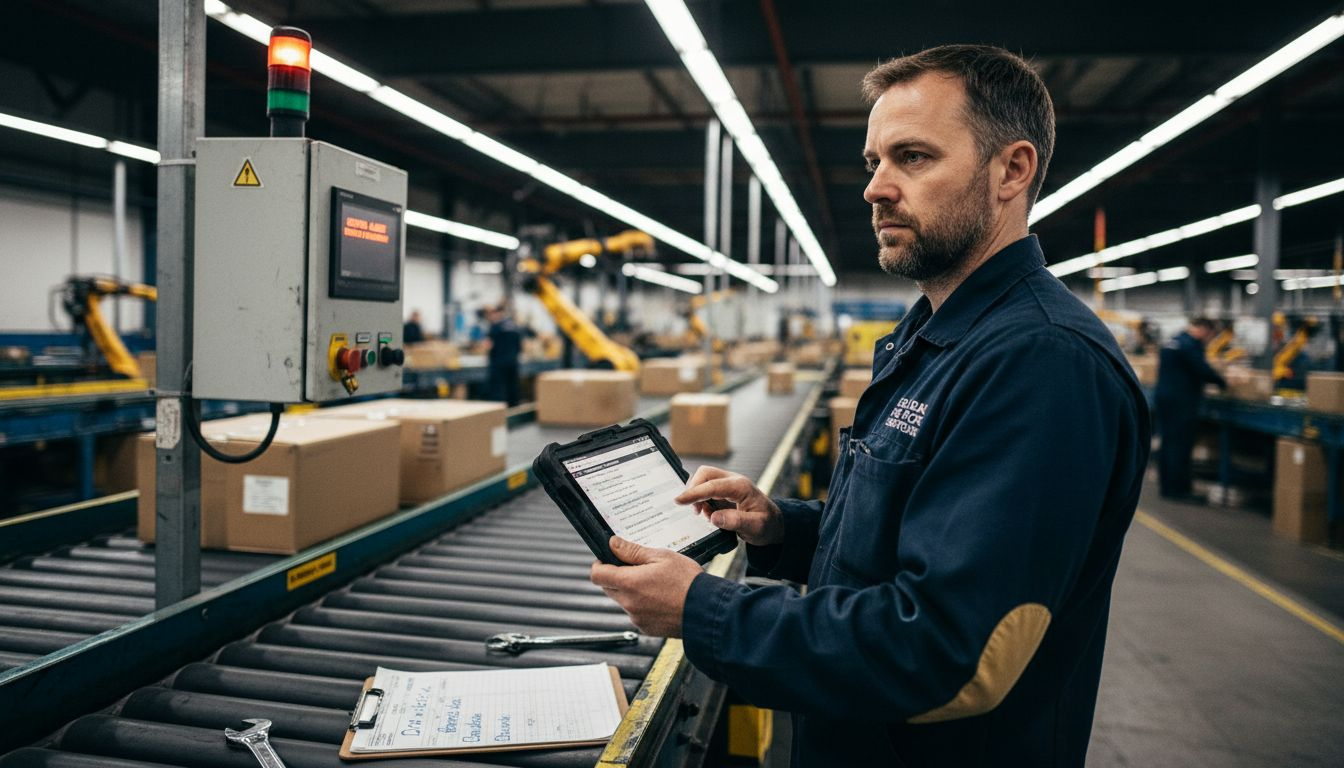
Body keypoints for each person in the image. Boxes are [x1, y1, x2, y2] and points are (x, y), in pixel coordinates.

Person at [589, 45, 1149, 767]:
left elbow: (948, 650)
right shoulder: (933, 333)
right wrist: (779, 529)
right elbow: (915, 543)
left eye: (912, 157)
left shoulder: (1041, 362)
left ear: (1012, 170)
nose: (876, 189)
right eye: (873, 162)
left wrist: (704, 609)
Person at [1154, 318, 1227, 501]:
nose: (1208, 339)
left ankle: (1167, 487)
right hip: (1181, 401)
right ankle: (1179, 490)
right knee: (1180, 445)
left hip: (1165, 398)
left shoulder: (1174, 340)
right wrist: (1222, 382)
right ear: (1203, 329)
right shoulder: (1190, 345)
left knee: (1168, 442)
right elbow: (1201, 369)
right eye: (1209, 335)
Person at [483, 303, 531, 406]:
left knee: (497, 388)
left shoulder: (495, 327)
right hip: (513, 362)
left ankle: (497, 411)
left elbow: (488, 345)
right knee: (513, 386)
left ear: (496, 313)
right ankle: (513, 409)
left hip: (498, 363)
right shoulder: (514, 326)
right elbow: (521, 344)